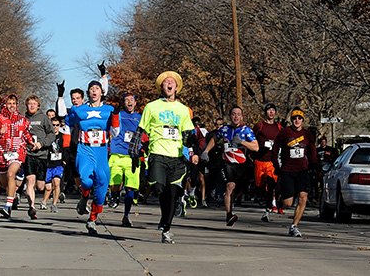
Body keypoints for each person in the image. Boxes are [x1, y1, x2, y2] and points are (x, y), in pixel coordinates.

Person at [128, 71, 198, 244]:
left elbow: (189, 134)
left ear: (176, 87)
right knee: (160, 188)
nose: (169, 84)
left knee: (173, 193)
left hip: (176, 156)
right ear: (162, 87)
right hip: (157, 154)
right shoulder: (151, 107)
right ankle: (164, 217)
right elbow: (140, 130)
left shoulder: (183, 109)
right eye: (166, 82)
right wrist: (133, 151)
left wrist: (193, 152)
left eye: (172, 82)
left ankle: (166, 227)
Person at [64, 79, 117, 234]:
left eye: (97, 88)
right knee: (86, 180)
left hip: (101, 151)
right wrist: (66, 145)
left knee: (102, 184)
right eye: (91, 89)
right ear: (88, 93)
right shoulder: (80, 110)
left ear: (101, 92)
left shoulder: (109, 110)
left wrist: (115, 117)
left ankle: (92, 219)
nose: (94, 91)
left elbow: (115, 133)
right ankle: (84, 196)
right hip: (85, 149)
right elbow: (67, 122)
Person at [202, 106, 259, 227]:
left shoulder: (246, 130)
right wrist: (206, 151)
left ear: (242, 117)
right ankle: (229, 214)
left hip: (242, 165)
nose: (236, 117)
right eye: (233, 114)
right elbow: (214, 139)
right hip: (227, 163)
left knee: (237, 189)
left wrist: (242, 142)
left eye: (238, 114)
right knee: (230, 186)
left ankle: (231, 199)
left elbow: (256, 147)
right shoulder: (224, 130)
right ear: (230, 116)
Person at [0, 94, 35, 219]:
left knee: (11, 174)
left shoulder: (23, 119)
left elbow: (26, 133)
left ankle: (8, 206)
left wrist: (31, 143)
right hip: (2, 153)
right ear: (4, 105)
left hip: (18, 151)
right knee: (5, 183)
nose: (12, 106)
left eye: (14, 103)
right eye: (9, 103)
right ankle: (12, 196)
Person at [272, 107, 318, 237]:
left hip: (302, 169)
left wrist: (314, 165)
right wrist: (276, 165)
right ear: (291, 120)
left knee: (303, 197)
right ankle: (280, 201)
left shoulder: (307, 134)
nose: (297, 120)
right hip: (287, 170)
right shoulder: (284, 133)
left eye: (299, 118)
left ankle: (294, 226)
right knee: (288, 203)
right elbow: (275, 150)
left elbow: (312, 150)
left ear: (303, 120)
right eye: (294, 118)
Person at [109, 92, 142, 227]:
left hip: (133, 156)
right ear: (124, 103)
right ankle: (115, 196)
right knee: (115, 185)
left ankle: (126, 215)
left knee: (130, 188)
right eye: (126, 100)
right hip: (117, 154)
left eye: (131, 100)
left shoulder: (140, 117)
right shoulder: (118, 115)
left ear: (135, 103)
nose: (129, 102)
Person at [23, 95, 55, 219]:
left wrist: (41, 144)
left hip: (42, 155)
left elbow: (51, 134)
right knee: (30, 181)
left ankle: (33, 194)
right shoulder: (23, 118)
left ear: (38, 106)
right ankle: (32, 207)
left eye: (34, 104)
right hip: (28, 154)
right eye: (29, 103)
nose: (32, 106)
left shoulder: (44, 118)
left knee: (41, 186)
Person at [252, 103, 282, 222]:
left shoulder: (279, 127)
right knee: (260, 185)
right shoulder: (259, 126)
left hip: (272, 161)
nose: (271, 112)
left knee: (271, 184)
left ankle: (268, 208)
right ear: (265, 112)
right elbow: (251, 139)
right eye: (269, 110)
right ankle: (262, 199)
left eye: (273, 110)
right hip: (260, 160)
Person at [41, 117, 64, 213]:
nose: (55, 127)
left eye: (57, 125)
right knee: (48, 187)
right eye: (53, 125)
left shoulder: (62, 137)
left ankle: (54, 204)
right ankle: (44, 202)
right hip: (48, 163)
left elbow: (66, 148)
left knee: (57, 183)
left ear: (59, 126)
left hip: (59, 164)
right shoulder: (47, 136)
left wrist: (65, 159)